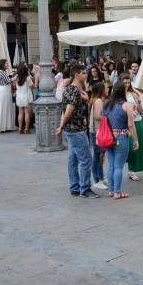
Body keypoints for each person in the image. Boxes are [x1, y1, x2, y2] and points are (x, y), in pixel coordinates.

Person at [55, 65, 99, 199]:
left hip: (71, 130)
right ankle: (85, 188)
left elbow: (65, 111)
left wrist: (63, 126)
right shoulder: (74, 90)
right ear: (77, 75)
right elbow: (68, 111)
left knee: (73, 160)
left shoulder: (70, 89)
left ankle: (75, 187)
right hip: (76, 130)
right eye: (83, 73)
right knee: (86, 159)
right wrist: (61, 126)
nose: (86, 75)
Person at [103, 82, 138, 200]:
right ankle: (117, 192)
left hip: (109, 137)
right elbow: (131, 125)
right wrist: (135, 140)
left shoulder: (106, 104)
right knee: (118, 166)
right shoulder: (126, 105)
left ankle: (111, 190)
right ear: (123, 91)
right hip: (121, 136)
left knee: (111, 166)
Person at [122, 74, 143, 183]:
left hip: (137, 121)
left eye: (128, 82)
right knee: (130, 148)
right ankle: (127, 167)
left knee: (137, 146)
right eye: (125, 82)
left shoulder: (134, 93)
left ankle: (132, 170)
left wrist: (139, 102)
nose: (127, 84)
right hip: (125, 124)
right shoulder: (118, 95)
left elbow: (141, 111)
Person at [88, 82, 108, 190]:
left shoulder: (96, 100)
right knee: (98, 156)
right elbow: (97, 116)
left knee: (100, 155)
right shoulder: (99, 101)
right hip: (97, 131)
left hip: (96, 131)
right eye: (105, 88)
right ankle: (97, 179)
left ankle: (101, 177)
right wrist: (107, 116)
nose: (107, 89)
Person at [0, 59, 15, 133]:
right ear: (2, 64)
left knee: (5, 107)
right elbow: (8, 80)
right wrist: (17, 75)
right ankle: (3, 127)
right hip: (3, 90)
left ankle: (5, 126)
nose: (7, 65)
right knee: (3, 107)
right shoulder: (1, 72)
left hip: (4, 90)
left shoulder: (1, 71)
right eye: (6, 63)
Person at [15, 64, 34, 134]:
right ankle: (26, 128)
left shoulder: (17, 77)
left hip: (19, 97)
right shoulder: (27, 78)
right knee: (26, 113)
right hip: (26, 97)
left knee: (20, 113)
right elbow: (32, 86)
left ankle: (20, 128)